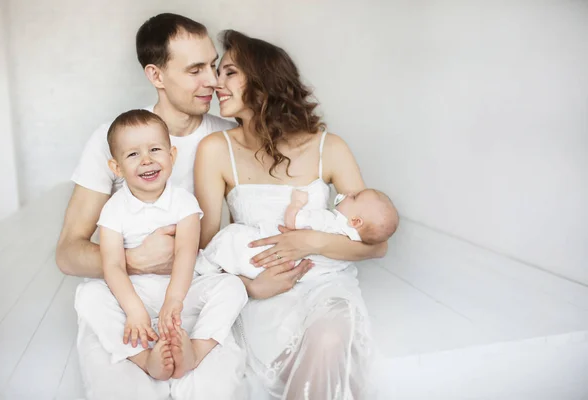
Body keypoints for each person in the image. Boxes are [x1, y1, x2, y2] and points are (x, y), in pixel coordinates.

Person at [56, 14, 245, 400]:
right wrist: (137, 259)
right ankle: (144, 359)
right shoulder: (114, 138)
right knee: (122, 387)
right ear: (156, 75)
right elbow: (68, 254)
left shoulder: (229, 138)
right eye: (195, 70)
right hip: (130, 300)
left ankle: (195, 352)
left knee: (214, 389)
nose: (212, 81)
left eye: (213, 65)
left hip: (194, 290)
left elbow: (242, 237)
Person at [194, 30, 390, 400]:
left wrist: (310, 241)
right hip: (262, 289)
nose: (215, 82)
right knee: (279, 362)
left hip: (323, 285)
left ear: (264, 82)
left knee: (329, 339)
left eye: (229, 72)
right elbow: (206, 248)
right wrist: (251, 288)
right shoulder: (215, 150)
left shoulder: (327, 148)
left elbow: (376, 247)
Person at [75, 109, 247, 382]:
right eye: (133, 154)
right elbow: (114, 264)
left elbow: (186, 253)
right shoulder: (113, 209)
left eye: (155, 149)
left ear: (172, 156)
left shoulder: (184, 203)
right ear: (116, 168)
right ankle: (144, 359)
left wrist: (173, 301)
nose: (146, 160)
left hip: (181, 287)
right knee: (88, 296)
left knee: (232, 287)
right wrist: (133, 310)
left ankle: (197, 348)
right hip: (134, 290)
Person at [196, 188, 398, 279]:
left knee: (231, 237)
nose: (348, 193)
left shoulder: (328, 220)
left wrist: (297, 203)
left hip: (270, 253)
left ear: (355, 221)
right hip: (292, 273)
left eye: (354, 197)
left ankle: (201, 267)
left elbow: (293, 221)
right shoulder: (349, 251)